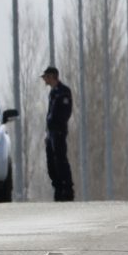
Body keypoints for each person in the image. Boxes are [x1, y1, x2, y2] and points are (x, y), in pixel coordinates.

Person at [42, 65, 75, 202]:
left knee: (60, 160)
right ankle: (57, 188)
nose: (45, 80)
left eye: (46, 77)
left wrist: (58, 128)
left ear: (52, 76)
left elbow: (65, 112)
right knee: (51, 162)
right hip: (51, 133)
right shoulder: (53, 93)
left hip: (59, 132)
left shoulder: (63, 92)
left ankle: (66, 189)